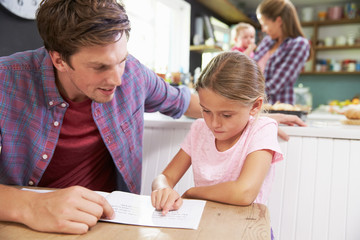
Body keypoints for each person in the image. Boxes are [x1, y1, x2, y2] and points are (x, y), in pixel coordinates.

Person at [0, 0, 303, 235]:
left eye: (121, 60)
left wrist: (255, 112)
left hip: (111, 223)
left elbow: (188, 102)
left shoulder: (134, 75)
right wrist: (29, 206)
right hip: (30, 227)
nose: (117, 79)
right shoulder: (7, 81)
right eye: (100, 67)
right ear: (58, 59)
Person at [151, 52, 283, 240]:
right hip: (205, 226)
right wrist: (161, 189)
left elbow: (244, 192)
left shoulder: (262, 129)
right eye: (206, 111)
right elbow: (165, 176)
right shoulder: (199, 129)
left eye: (226, 115)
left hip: (247, 230)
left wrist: (192, 192)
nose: (214, 123)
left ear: (255, 106)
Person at [253, 0, 311, 105]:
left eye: (265, 24)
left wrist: (243, 95)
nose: (263, 29)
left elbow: (276, 85)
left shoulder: (299, 44)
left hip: (276, 108)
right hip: (253, 107)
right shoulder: (267, 41)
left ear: (279, 21)